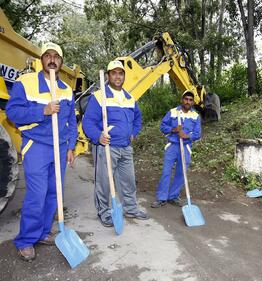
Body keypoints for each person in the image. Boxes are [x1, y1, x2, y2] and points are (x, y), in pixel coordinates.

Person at [6, 42, 77, 261]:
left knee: (54, 194)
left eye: (56, 56)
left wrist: (71, 146)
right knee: (37, 195)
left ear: (61, 63)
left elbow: (71, 122)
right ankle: (26, 240)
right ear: (41, 60)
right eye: (48, 55)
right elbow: (13, 112)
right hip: (36, 146)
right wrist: (43, 110)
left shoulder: (66, 90)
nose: (52, 59)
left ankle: (43, 232)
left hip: (60, 147)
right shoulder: (25, 83)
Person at [82, 60, 149, 226]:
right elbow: (88, 122)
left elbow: (138, 118)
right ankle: (104, 212)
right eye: (114, 73)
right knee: (104, 182)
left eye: (120, 73)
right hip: (107, 147)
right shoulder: (99, 97)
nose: (117, 76)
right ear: (108, 76)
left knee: (128, 180)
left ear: (124, 76)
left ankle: (131, 208)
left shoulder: (129, 98)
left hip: (126, 147)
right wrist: (98, 136)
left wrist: (133, 132)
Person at [151, 90, 201, 208]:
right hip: (172, 146)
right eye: (186, 99)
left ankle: (173, 196)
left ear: (193, 102)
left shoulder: (196, 116)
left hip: (186, 147)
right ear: (182, 100)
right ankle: (161, 198)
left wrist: (187, 136)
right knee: (166, 171)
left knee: (181, 172)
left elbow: (198, 134)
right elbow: (163, 126)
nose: (188, 101)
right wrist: (173, 129)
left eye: (190, 100)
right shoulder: (173, 112)